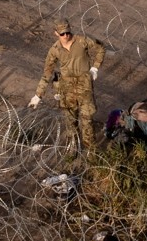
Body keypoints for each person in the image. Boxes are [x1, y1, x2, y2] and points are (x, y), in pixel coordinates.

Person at [30, 19, 105, 150]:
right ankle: (73, 149)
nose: (66, 36)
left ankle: (91, 152)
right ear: (56, 33)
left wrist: (95, 68)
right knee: (70, 121)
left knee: (87, 120)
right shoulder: (55, 50)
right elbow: (47, 73)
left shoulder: (82, 41)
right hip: (67, 87)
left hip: (84, 85)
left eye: (67, 32)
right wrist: (38, 95)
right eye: (62, 34)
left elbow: (101, 48)